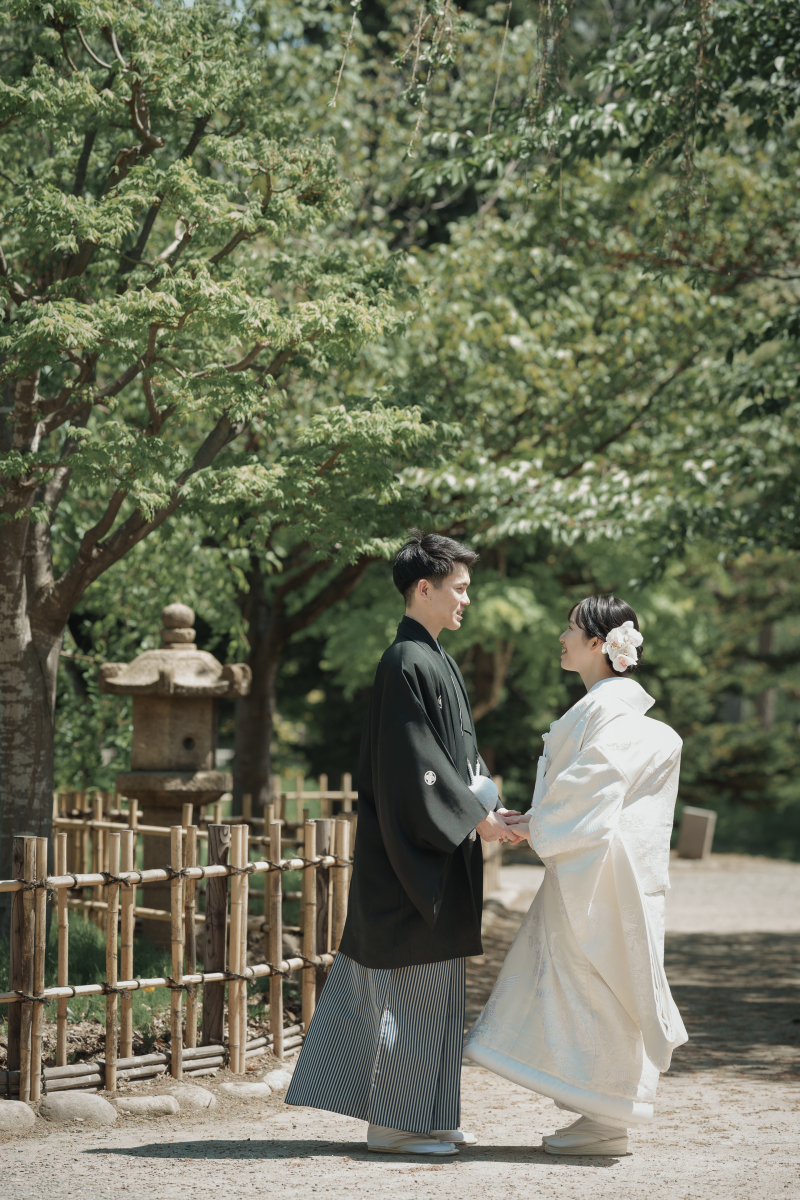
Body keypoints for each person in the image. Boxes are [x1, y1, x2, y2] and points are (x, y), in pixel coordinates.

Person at [285, 530, 515, 1156]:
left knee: (435, 990)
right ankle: (393, 1123)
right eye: (459, 588)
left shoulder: (432, 658)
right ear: (424, 587)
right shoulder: (405, 662)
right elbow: (417, 770)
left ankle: (430, 1116)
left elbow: (454, 765)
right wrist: (474, 819)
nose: (466, 600)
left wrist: (485, 808)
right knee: (409, 990)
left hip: (433, 852)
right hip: (408, 858)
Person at [464, 595, 688, 1157]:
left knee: (596, 986)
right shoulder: (608, 706)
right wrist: (534, 822)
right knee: (591, 984)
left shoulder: (608, 710)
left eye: (571, 629)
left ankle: (606, 1116)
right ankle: (599, 1112)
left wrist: (527, 827)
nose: (561, 638)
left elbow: (592, 785)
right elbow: (585, 788)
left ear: (598, 644)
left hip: (600, 876)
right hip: (596, 869)